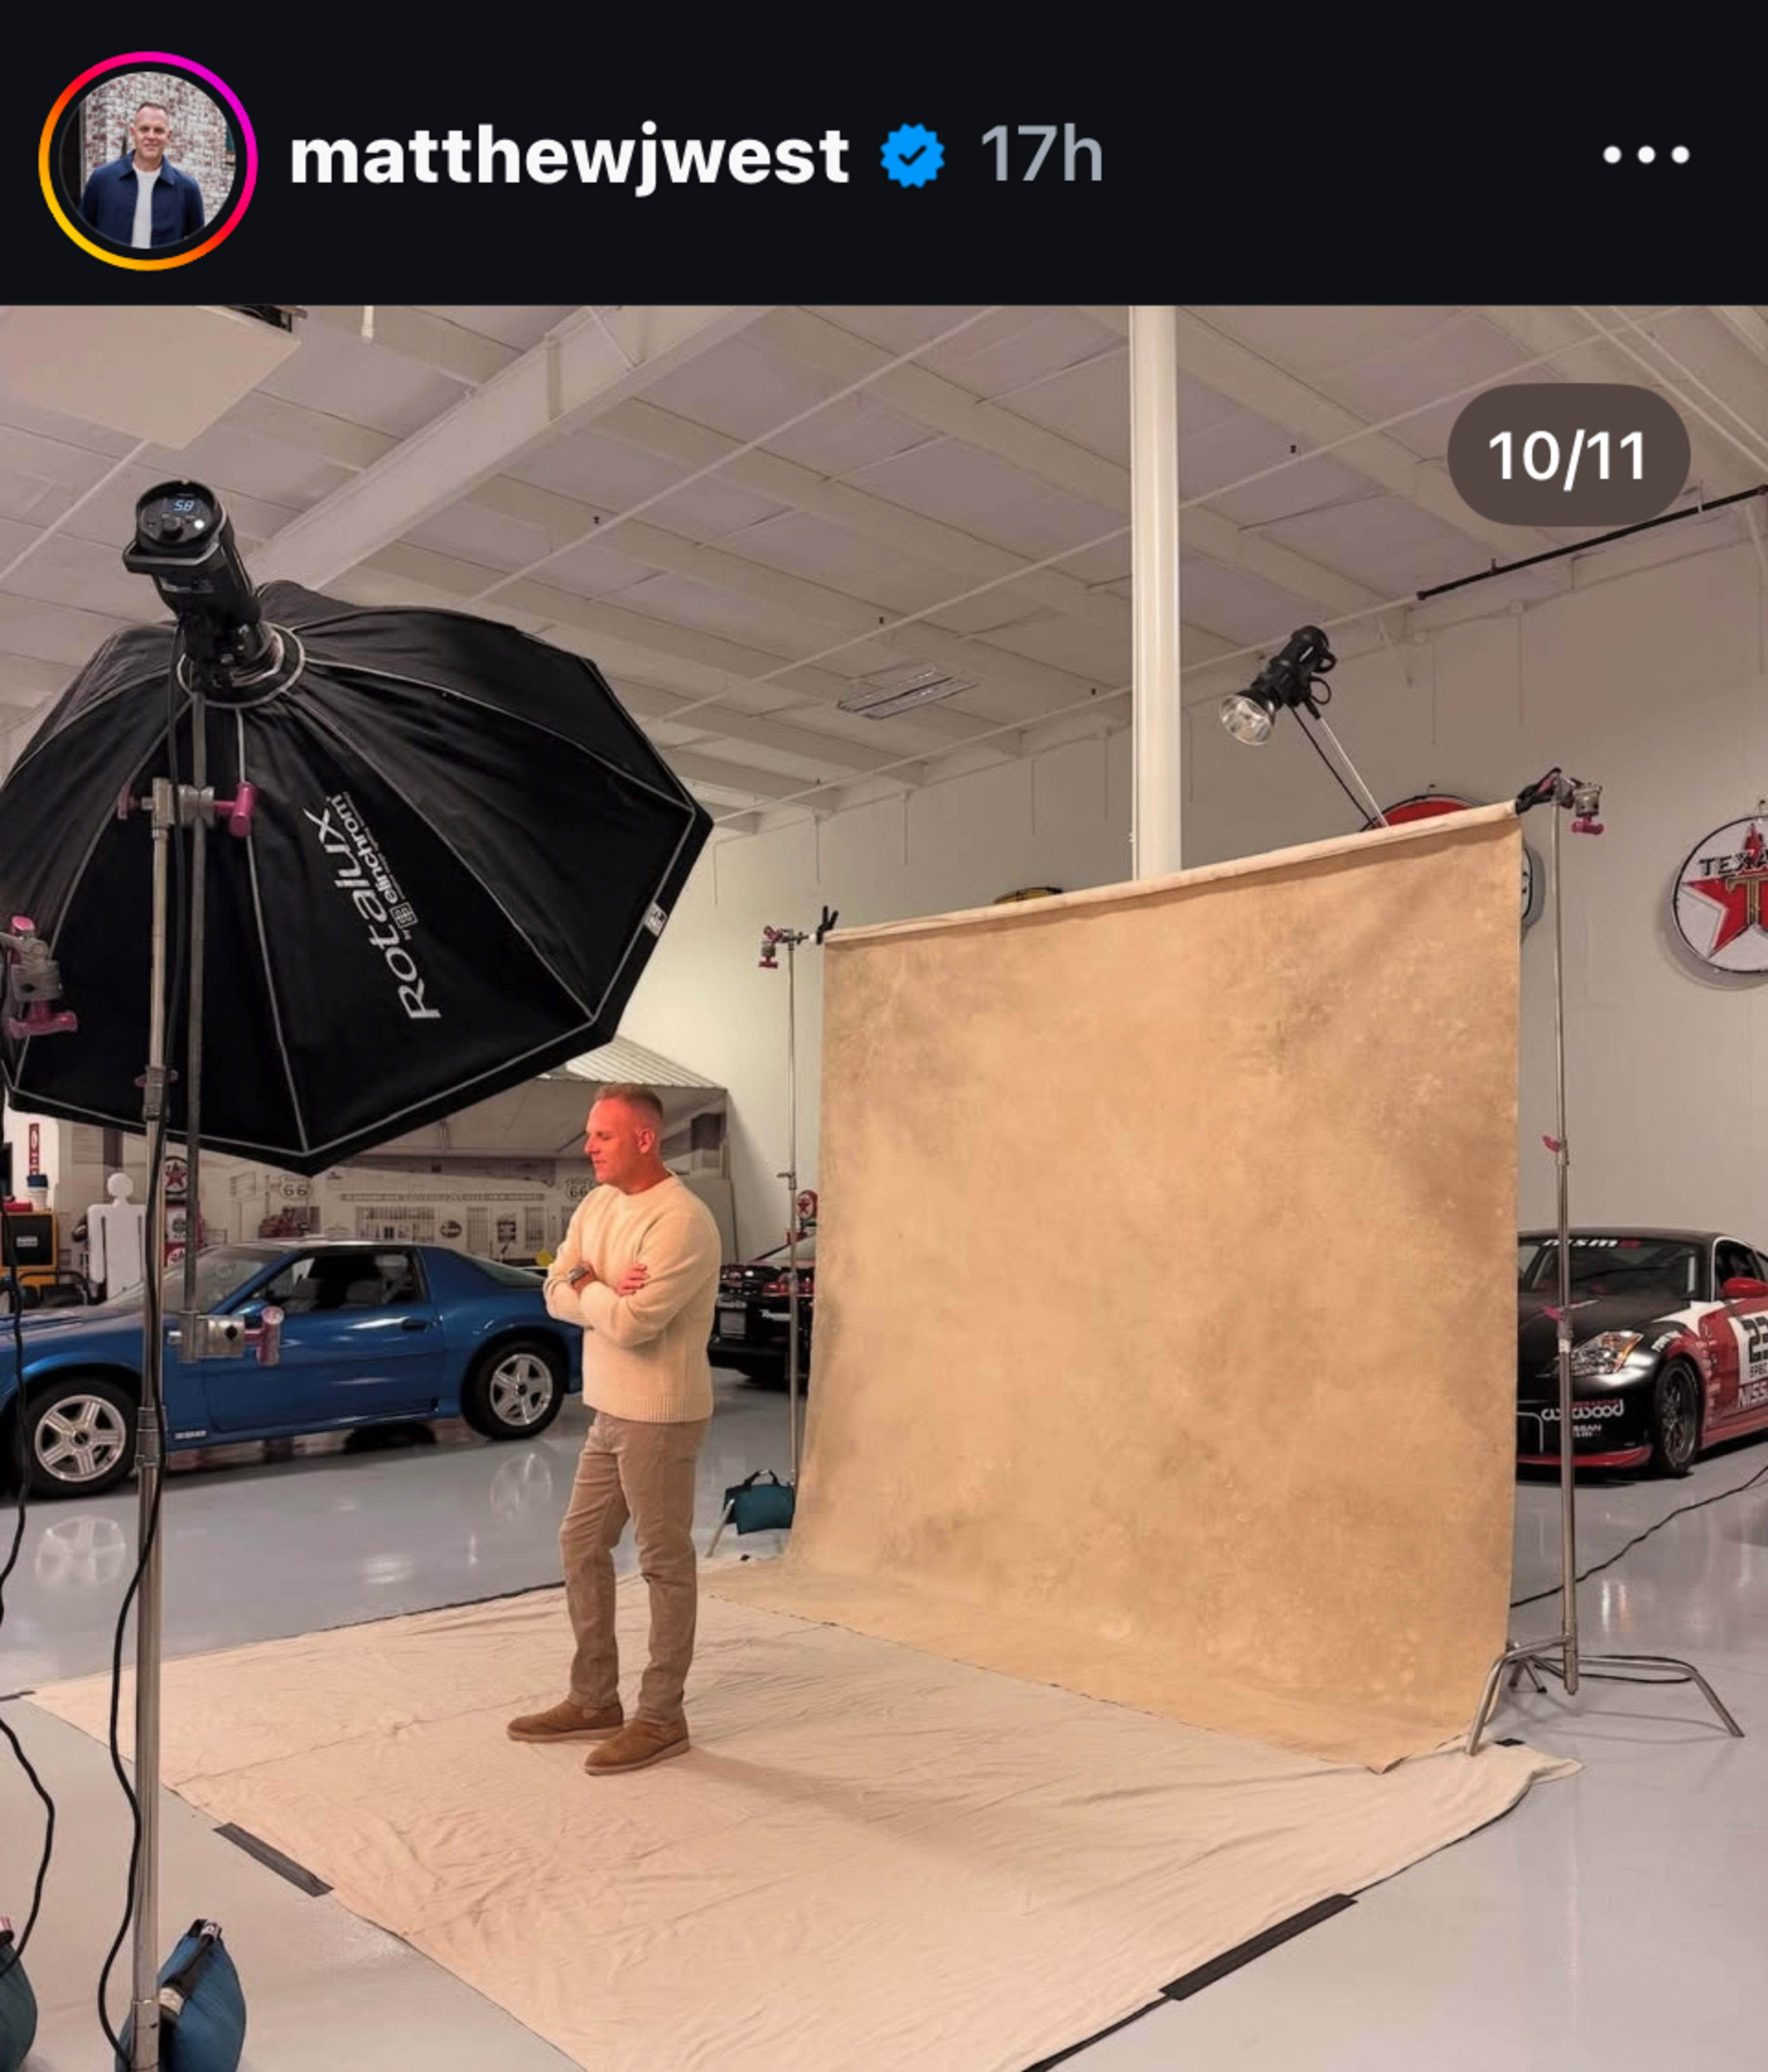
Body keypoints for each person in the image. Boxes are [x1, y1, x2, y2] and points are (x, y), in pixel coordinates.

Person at [508, 1084, 723, 1775]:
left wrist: (584, 1282)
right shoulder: (599, 1203)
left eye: (602, 1136)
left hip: (660, 1415)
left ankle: (662, 1718)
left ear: (643, 1140)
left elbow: (635, 1325)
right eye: (589, 1135)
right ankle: (595, 1698)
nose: (589, 1147)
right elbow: (552, 1282)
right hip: (609, 1408)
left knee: (664, 1561)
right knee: (581, 1542)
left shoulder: (682, 1222)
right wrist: (591, 1280)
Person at [77, 101, 206, 249]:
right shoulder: (102, 179)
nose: (151, 136)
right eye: (144, 129)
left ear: (169, 137)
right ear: (133, 133)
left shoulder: (188, 189)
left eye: (159, 131)